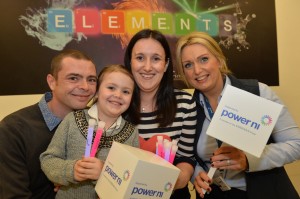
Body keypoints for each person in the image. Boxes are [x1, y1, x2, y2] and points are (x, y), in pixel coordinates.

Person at [175, 31, 300, 199]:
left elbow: (296, 144)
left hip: (266, 192)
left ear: (219, 60)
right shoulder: (187, 108)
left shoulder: (257, 92)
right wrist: (195, 174)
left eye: (204, 59)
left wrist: (249, 160)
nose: (197, 70)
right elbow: (188, 156)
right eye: (188, 65)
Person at [0, 49, 98, 199]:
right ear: (52, 82)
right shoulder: (13, 130)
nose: (85, 86)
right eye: (73, 78)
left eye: (91, 79)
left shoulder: (99, 125)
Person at [40, 64, 139, 198]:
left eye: (126, 91)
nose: (118, 95)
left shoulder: (131, 133)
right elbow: (48, 160)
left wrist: (104, 172)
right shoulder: (73, 120)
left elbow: (131, 180)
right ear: (97, 92)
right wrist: (72, 170)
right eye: (111, 88)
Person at [124, 29, 197, 198]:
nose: (147, 67)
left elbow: (186, 157)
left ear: (165, 65)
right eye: (140, 58)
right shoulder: (116, 103)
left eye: (156, 59)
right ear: (130, 62)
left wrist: (179, 178)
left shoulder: (185, 104)